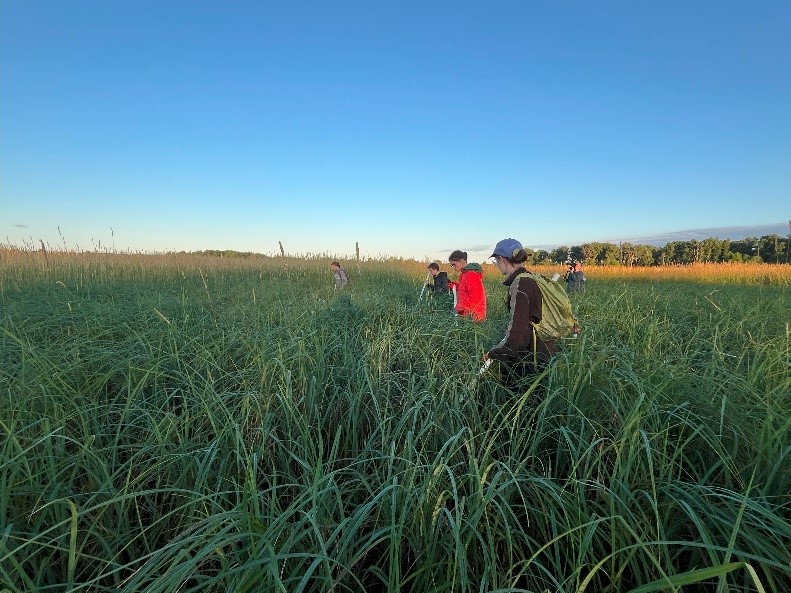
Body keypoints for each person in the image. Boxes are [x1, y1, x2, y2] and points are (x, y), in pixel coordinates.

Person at [485, 238, 557, 392]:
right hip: (544, 350)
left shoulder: (520, 284)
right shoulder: (530, 278)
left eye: (496, 260)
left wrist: (495, 353)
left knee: (520, 402)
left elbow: (518, 336)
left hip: (529, 359)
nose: (496, 264)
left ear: (502, 259)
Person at [447, 250, 486, 322]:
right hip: (466, 313)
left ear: (462, 261)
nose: (453, 267)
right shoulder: (464, 274)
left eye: (454, 264)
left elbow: (475, 297)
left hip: (474, 316)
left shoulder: (471, 275)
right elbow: (465, 289)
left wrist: (459, 308)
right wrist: (454, 285)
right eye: (451, 265)